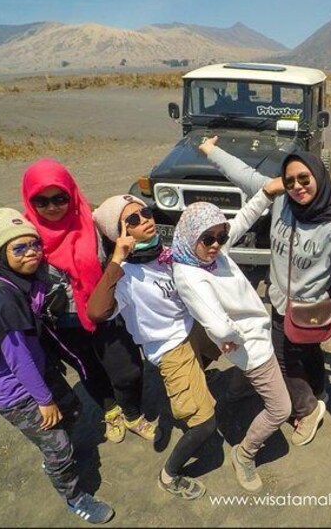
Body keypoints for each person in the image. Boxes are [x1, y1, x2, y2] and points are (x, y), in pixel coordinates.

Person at [198, 136, 331, 447]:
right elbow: (242, 174)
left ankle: (307, 409)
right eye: (290, 180)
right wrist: (210, 151)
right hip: (281, 299)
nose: (297, 186)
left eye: (304, 179)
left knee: (283, 359)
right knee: (307, 351)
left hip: (312, 304)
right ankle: (318, 391)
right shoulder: (283, 200)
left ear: (319, 178)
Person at [0, 159, 157, 445]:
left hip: (106, 311)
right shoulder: (27, 232)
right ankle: (111, 411)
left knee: (128, 368)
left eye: (60, 198)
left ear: (71, 193)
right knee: (90, 372)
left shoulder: (91, 221)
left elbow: (130, 235)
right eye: (41, 201)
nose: (53, 206)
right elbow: (10, 261)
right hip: (62, 325)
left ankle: (132, 413)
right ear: (30, 201)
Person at [0, 208, 114, 524]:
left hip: (40, 371)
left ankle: (56, 458)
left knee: (74, 411)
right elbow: (17, 359)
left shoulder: (29, 275)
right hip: (16, 391)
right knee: (59, 446)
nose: (31, 253)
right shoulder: (2, 302)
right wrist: (44, 400)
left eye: (34, 245)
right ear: (1, 254)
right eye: (19, 248)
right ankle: (74, 497)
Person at [87, 194, 221, 500]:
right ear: (118, 234)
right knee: (205, 425)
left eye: (145, 212)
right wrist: (117, 259)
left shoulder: (163, 254)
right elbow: (96, 312)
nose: (145, 219)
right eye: (132, 220)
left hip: (192, 329)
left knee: (225, 348)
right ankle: (169, 475)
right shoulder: (123, 276)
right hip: (170, 348)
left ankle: (195, 381)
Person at [171, 179, 292, 492]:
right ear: (188, 236)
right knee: (281, 409)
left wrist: (266, 193)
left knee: (245, 378)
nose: (216, 244)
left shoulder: (209, 256)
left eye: (220, 237)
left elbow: (240, 221)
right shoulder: (191, 275)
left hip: (250, 338)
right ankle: (245, 454)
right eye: (207, 238)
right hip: (252, 344)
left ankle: (236, 394)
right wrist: (237, 335)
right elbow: (220, 327)